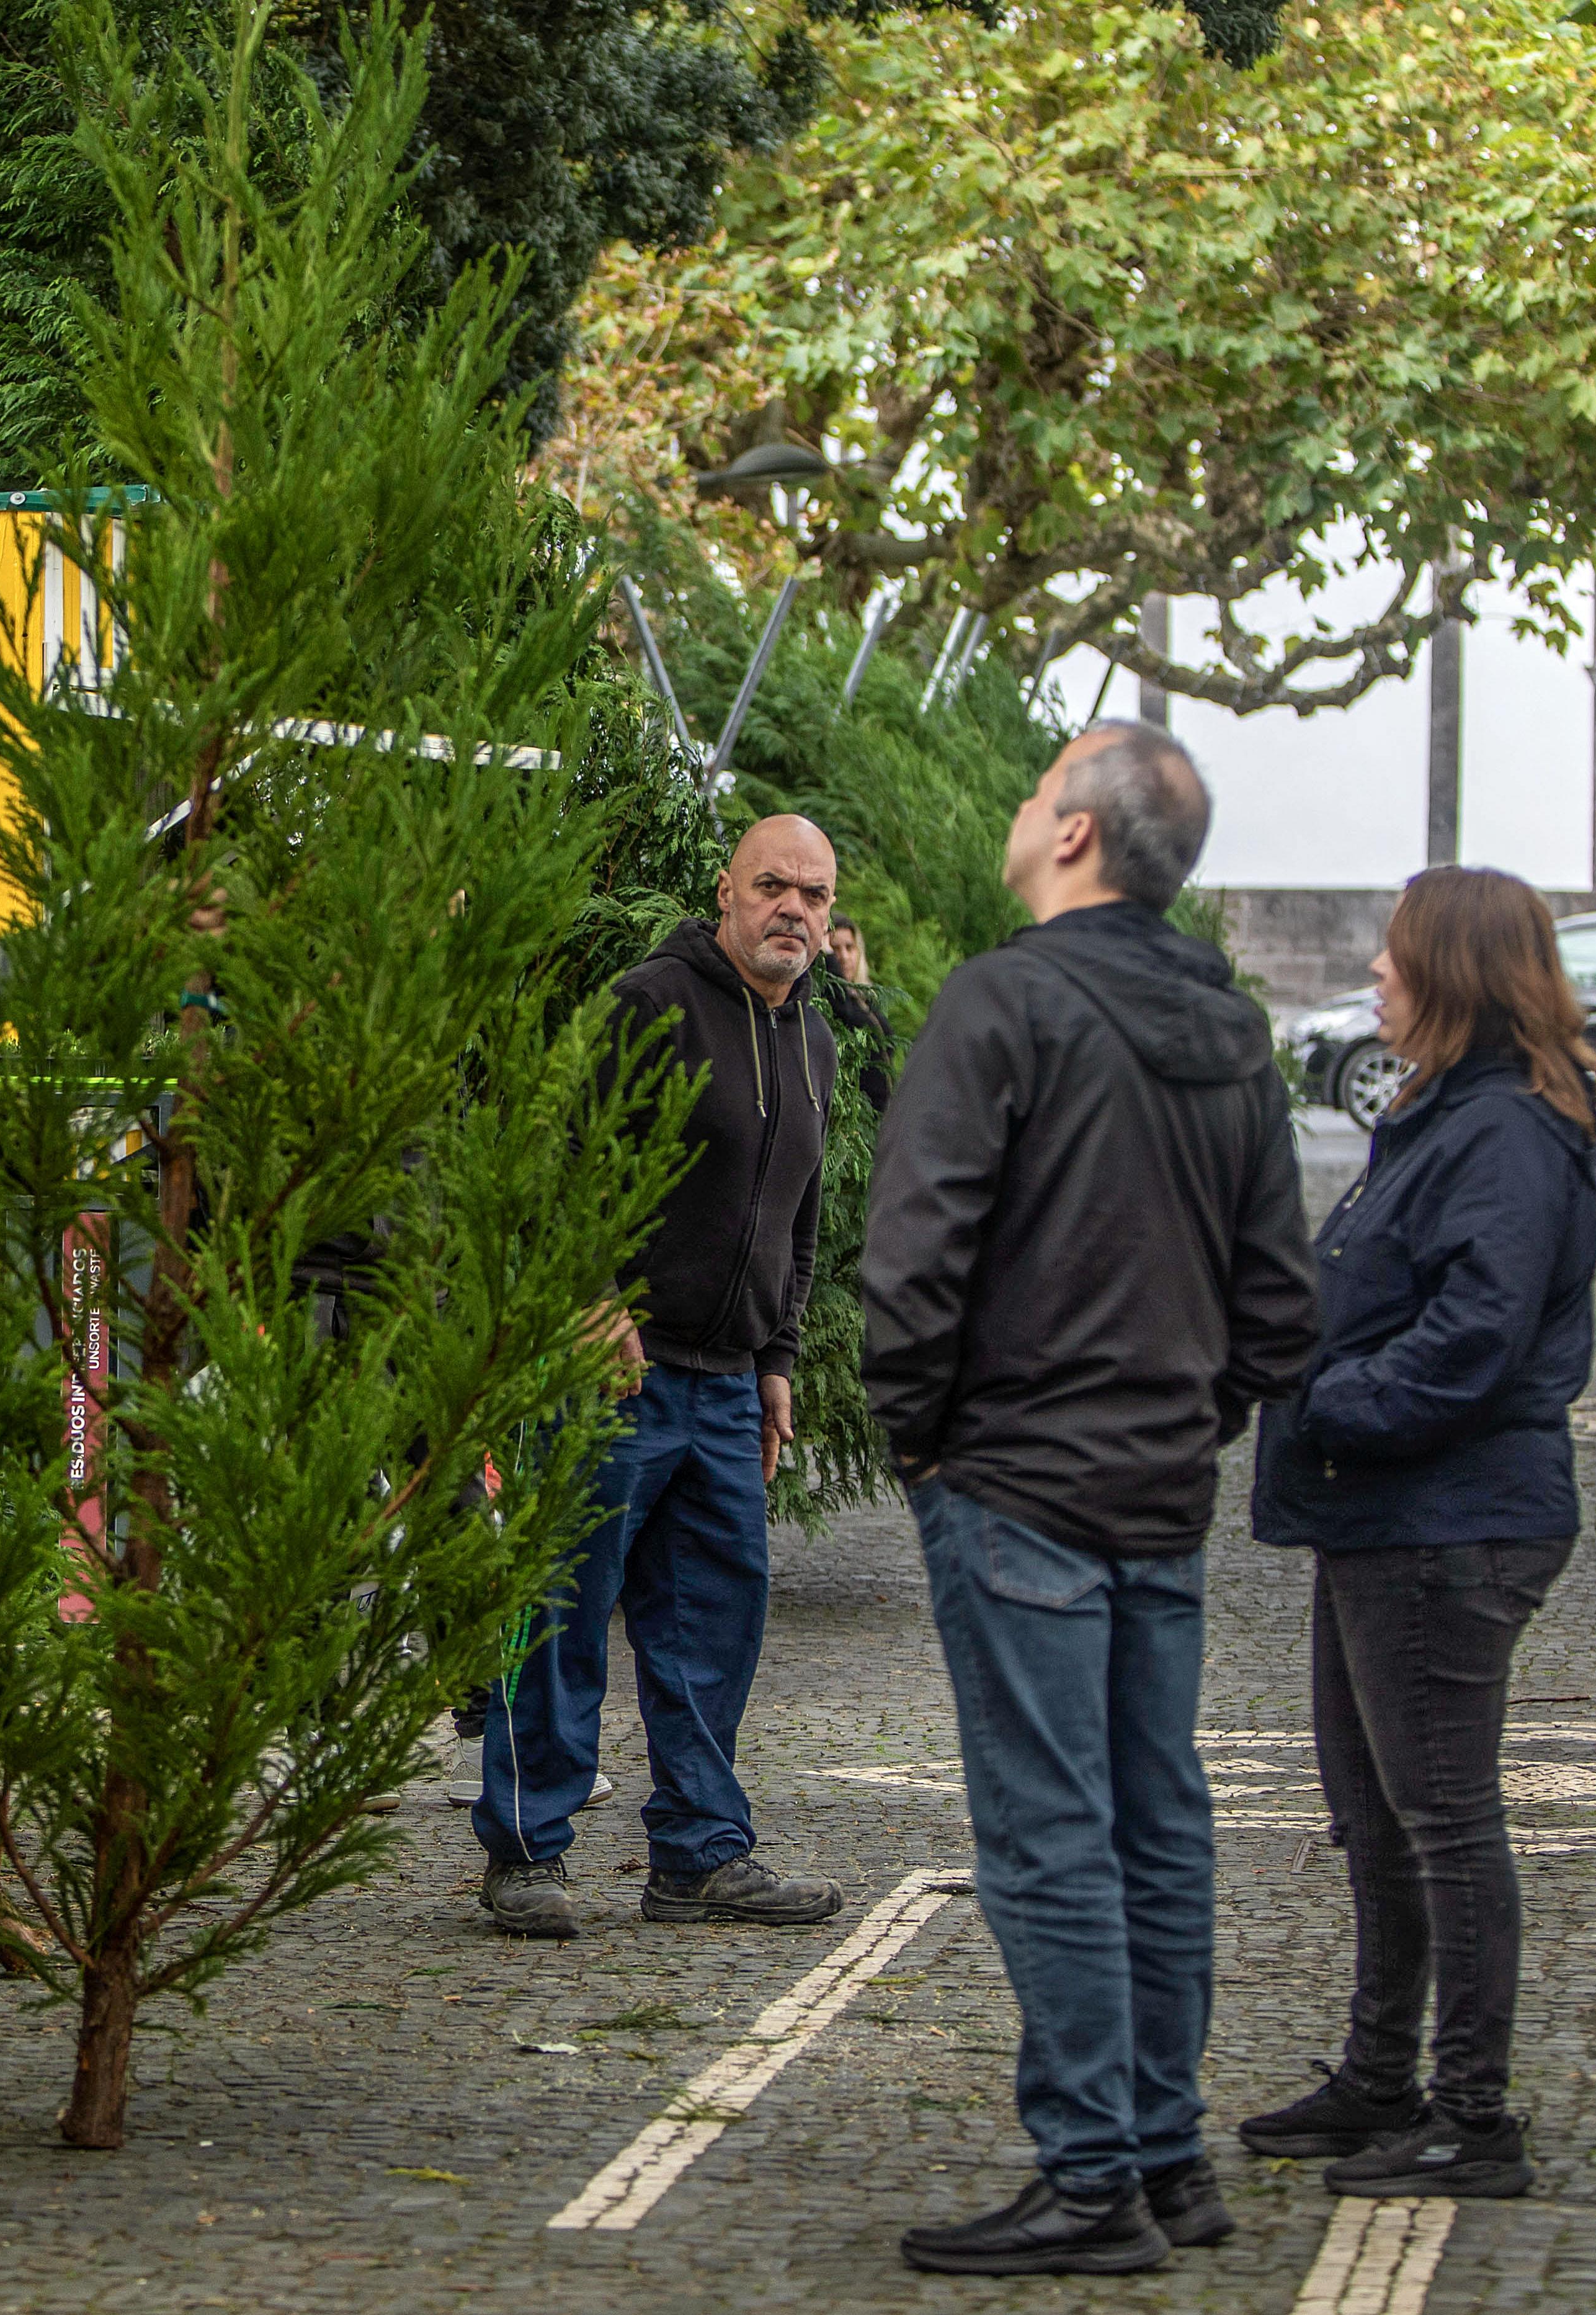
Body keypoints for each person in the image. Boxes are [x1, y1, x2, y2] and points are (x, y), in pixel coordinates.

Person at [863, 722, 1317, 2277]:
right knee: (1154, 1821)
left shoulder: (1002, 1001)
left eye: (1033, 782)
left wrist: (921, 1440)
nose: (1017, 802)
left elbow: (912, 1254)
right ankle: (1164, 2153)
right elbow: (1279, 1303)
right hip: (1153, 1485)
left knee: (1050, 1831)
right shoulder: (1231, 1027)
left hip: (1017, 1480)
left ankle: (1089, 2176)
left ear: (1071, 833)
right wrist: (1196, 1418)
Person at [1238, 867, 1596, 2201]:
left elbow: (1470, 1336)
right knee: (1374, 1819)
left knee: (1442, 1820)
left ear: (1451, 973)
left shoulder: (1503, 1128)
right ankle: (1379, 2077)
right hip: (1384, 1514)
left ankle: (1472, 2115)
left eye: (1394, 956)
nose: (1374, 975)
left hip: (1447, 1521)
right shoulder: (1443, 1109)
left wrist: (1327, 1400)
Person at [474, 815, 847, 1939]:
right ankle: (525, 1849)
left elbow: (798, 1220)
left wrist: (778, 1360)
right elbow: (558, 1158)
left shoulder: (813, 1040)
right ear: (726, 891)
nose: (793, 909)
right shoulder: (649, 1004)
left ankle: (698, 1854)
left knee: (713, 1628)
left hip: (728, 1386)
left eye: (814, 895)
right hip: (612, 1376)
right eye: (773, 885)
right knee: (561, 1612)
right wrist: (593, 1295)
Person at [823, 912, 898, 1114]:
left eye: (850, 947)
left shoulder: (866, 998)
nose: (844, 957)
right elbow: (847, 1014)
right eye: (835, 948)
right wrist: (827, 959)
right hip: (853, 1114)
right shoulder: (830, 1001)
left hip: (881, 1114)